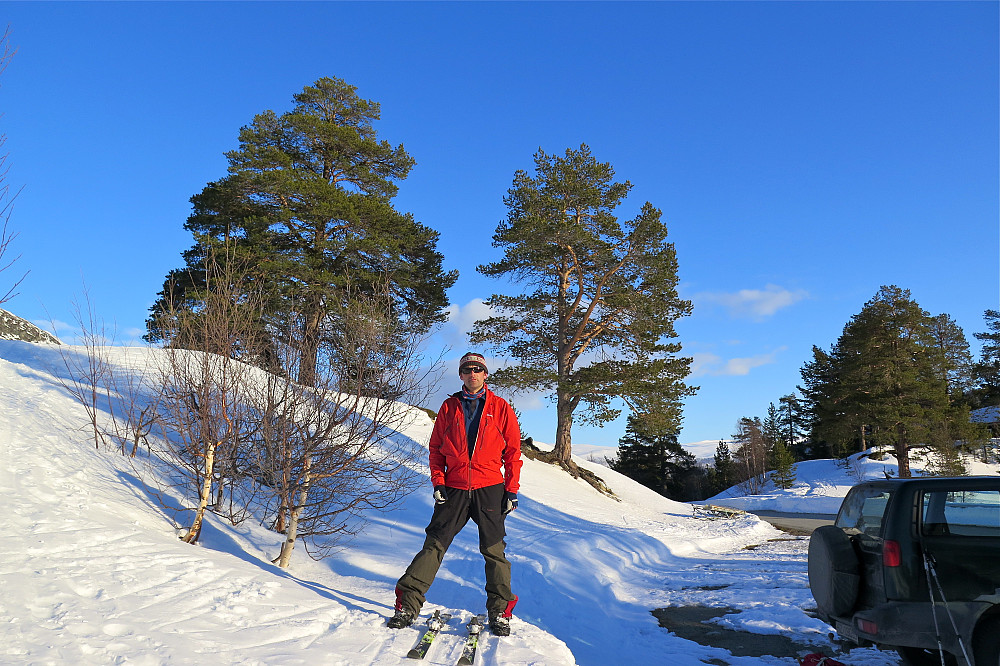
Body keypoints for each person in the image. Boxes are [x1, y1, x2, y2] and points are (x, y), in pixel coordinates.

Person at [388, 352, 523, 636]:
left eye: (477, 369)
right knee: (434, 545)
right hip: (455, 487)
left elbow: (512, 453)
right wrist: (438, 483)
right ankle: (407, 605)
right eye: (466, 370)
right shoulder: (449, 407)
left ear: (485, 374)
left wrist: (511, 490)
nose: (472, 374)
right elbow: (436, 449)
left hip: (489, 488)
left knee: (493, 550)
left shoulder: (500, 408)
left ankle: (500, 612)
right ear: (461, 375)